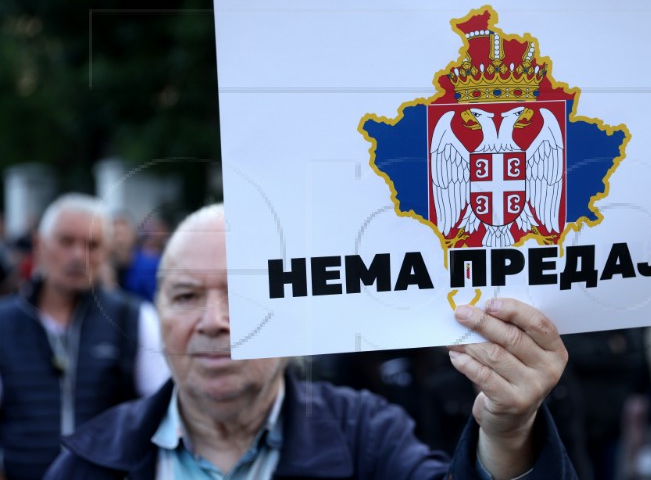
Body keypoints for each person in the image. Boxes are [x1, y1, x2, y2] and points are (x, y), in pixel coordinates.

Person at [45, 203, 576, 479]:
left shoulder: (368, 437)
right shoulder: (94, 459)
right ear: (155, 314)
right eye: (185, 296)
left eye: (243, 295)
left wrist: (507, 437)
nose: (213, 321)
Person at [0, 193, 170, 480]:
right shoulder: (5, 322)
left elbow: (164, 413)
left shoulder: (135, 318)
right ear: (40, 245)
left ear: (107, 252)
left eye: (92, 244)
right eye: (66, 241)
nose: (78, 255)